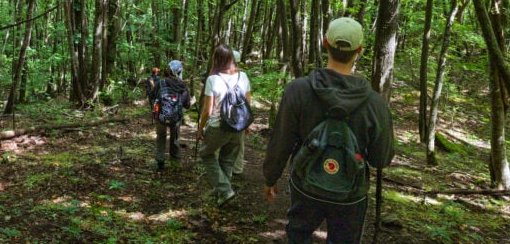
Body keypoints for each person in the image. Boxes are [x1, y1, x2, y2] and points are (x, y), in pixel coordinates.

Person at [263, 17, 395, 243]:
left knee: (298, 235)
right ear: (359, 50)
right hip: (351, 194)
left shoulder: (298, 90)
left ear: (325, 43)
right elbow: (381, 158)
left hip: (305, 184)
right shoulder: (376, 104)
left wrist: (270, 177)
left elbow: (282, 139)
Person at [197, 44, 252, 206]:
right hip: (238, 126)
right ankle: (222, 195)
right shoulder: (243, 77)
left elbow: (207, 110)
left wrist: (200, 129)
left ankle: (225, 190)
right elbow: (248, 103)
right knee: (227, 160)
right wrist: (246, 125)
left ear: (217, 59)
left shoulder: (213, 79)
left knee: (206, 154)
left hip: (218, 127)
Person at [150, 60, 190, 171]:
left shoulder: (161, 82)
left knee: (161, 137)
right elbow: (186, 105)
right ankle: (175, 162)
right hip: (176, 117)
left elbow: (152, 95)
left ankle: (160, 161)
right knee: (175, 139)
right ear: (179, 72)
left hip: (160, 115)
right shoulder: (183, 86)